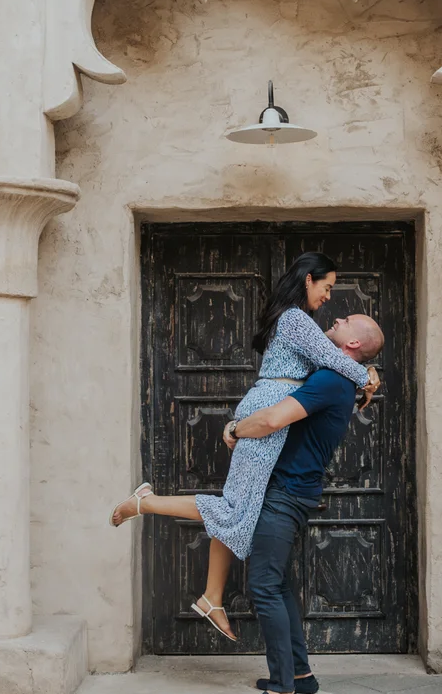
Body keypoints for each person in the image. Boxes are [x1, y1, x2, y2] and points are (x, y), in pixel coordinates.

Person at [110, 254, 380, 641]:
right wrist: (367, 378)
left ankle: (212, 597)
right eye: (327, 286)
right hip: (268, 412)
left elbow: (335, 355)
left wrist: (366, 369)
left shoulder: (299, 321)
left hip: (272, 410)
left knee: (238, 506)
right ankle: (145, 503)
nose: (328, 296)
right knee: (235, 508)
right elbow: (331, 359)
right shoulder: (295, 318)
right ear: (308, 280)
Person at [230, 309, 385, 694]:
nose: (336, 318)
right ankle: (300, 674)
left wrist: (234, 430)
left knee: (264, 585)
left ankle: (282, 691)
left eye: (347, 320)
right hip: (294, 491)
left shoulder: (331, 380)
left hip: (286, 494)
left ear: (353, 343)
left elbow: (272, 419)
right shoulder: (338, 377)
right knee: (278, 583)